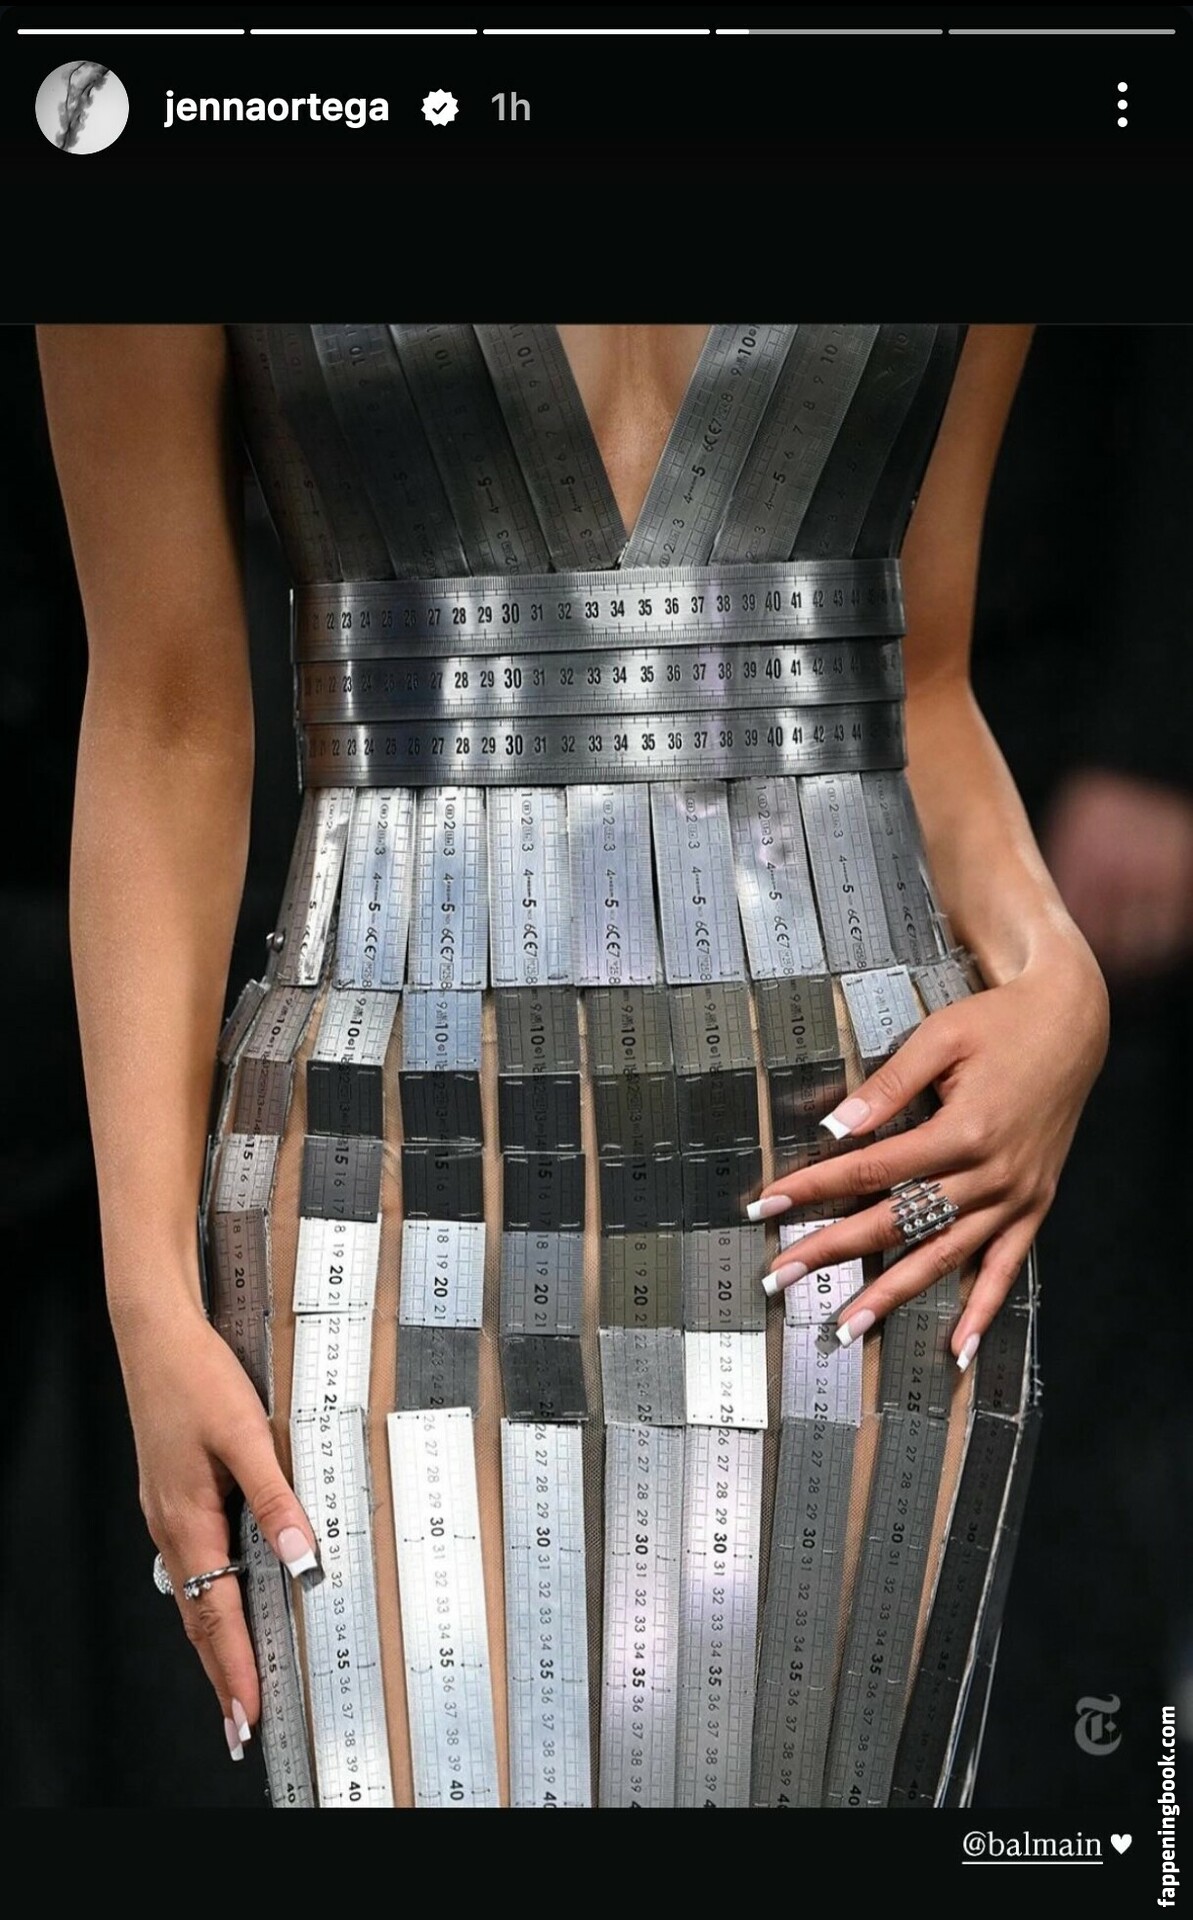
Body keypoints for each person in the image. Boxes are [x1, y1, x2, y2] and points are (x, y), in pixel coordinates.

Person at [35, 321, 1108, 1809]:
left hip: (853, 1167)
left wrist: (1058, 981)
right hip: (380, 1169)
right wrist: (146, 1298)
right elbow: (164, 715)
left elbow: (915, 679)